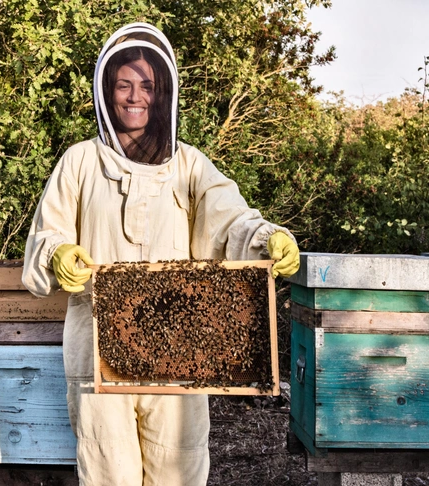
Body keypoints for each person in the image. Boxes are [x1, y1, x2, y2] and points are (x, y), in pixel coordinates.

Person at [22, 23, 300, 486]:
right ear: (106, 92)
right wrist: (57, 255)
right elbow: (45, 237)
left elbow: (230, 220)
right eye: (123, 85)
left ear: (164, 93)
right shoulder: (79, 161)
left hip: (181, 343)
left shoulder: (189, 164)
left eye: (147, 86)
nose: (135, 96)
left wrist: (266, 238)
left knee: (179, 468)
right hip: (96, 346)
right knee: (108, 468)